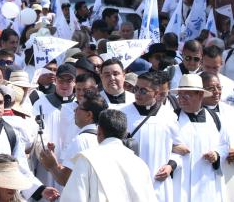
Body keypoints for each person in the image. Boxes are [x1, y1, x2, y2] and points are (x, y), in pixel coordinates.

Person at [60, 109, 158, 202]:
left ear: (99, 131)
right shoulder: (139, 164)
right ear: (125, 133)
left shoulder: (87, 159)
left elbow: (73, 198)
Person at [119, 72, 186, 201]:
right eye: (136, 89)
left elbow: (179, 149)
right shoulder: (123, 114)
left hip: (158, 182)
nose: (137, 93)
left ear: (156, 93)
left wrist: (170, 166)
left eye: (143, 91)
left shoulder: (169, 116)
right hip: (129, 181)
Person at [171, 73, 228, 201]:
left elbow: (224, 145)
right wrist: (172, 147)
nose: (181, 99)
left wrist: (216, 154)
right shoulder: (171, 118)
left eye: (187, 95)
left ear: (200, 95)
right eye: (180, 95)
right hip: (180, 183)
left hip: (207, 181)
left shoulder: (215, 118)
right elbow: (159, 144)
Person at [40, 92, 107, 186]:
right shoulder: (106, 139)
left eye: (79, 107)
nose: (75, 110)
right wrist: (55, 162)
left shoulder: (81, 140)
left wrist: (52, 165)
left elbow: (66, 180)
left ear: (89, 115)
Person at [31, 63, 76, 187]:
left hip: (71, 163)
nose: (64, 84)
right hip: (46, 163)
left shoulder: (80, 106)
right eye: (61, 80)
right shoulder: (40, 104)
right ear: (55, 80)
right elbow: (35, 131)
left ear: (75, 82)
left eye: (69, 80)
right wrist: (45, 149)